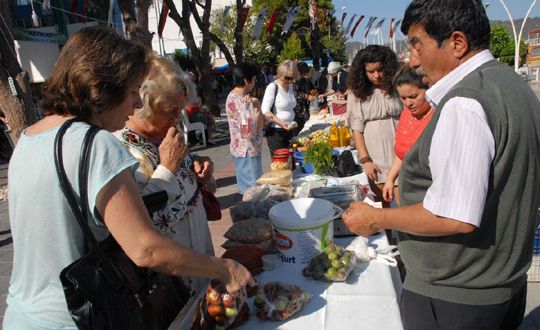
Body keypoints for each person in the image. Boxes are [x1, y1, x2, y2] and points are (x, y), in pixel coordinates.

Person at [4, 26, 254, 329]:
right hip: (77, 318)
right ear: (105, 87)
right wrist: (223, 267)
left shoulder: (30, 137)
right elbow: (145, 248)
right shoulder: (95, 143)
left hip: (22, 316)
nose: (137, 104)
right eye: (134, 91)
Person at [342, 1, 540, 329]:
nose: (412, 58)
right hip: (500, 283)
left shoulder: (465, 103)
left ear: (457, 43)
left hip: (457, 294)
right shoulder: (513, 84)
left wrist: (377, 218)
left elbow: (452, 216)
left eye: (417, 44)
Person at [114, 55, 215, 294]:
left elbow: (182, 175)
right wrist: (168, 168)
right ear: (141, 106)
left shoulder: (165, 129)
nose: (177, 120)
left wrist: (198, 167)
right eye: (171, 111)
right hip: (169, 277)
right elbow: (140, 221)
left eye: (180, 111)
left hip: (199, 253)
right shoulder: (118, 149)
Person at [347, 45, 402, 207]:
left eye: (380, 70)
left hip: (400, 154)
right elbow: (356, 130)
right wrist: (366, 160)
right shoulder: (356, 93)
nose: (376, 75)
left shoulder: (396, 87)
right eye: (371, 71)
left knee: (403, 205)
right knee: (381, 208)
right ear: (363, 72)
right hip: (375, 156)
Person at [382, 65, 434, 205]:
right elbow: (401, 153)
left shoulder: (438, 117)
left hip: (429, 191)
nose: (408, 103)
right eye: (403, 98)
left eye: (413, 96)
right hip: (408, 187)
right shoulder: (406, 114)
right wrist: (390, 179)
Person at [225, 63, 264, 195]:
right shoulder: (243, 101)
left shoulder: (234, 97)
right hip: (247, 150)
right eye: (253, 80)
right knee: (253, 190)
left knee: (248, 189)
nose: (254, 83)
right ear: (246, 80)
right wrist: (257, 105)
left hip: (242, 149)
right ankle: (252, 214)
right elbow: (252, 129)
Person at [261, 60, 299, 157]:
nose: (290, 81)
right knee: (280, 162)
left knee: (291, 160)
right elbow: (266, 111)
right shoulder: (272, 87)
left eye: (292, 78)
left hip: (290, 129)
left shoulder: (290, 86)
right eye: (287, 78)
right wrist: (281, 123)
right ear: (280, 74)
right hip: (276, 131)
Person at [293, 61, 317, 134]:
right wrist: (306, 96)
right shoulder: (293, 81)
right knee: (297, 130)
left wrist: (314, 92)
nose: (303, 75)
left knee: (305, 127)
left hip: (306, 108)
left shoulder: (306, 80)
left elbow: (313, 89)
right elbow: (294, 93)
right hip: (297, 110)